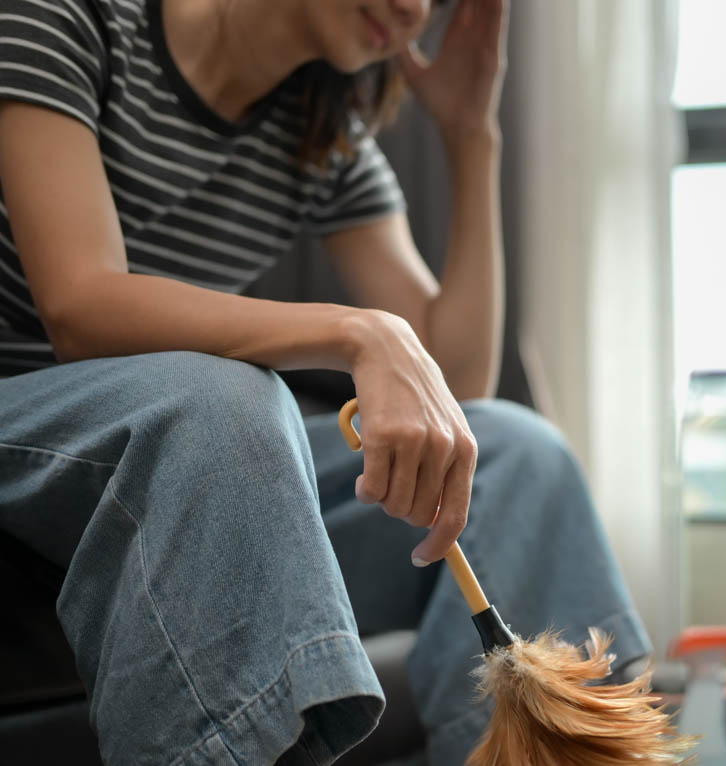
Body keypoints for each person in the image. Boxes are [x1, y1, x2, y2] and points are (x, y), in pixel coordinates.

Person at [0, 0, 650, 763]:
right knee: (225, 400)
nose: (414, 10)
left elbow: (458, 386)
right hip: (31, 430)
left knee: (517, 453)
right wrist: (357, 330)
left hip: (176, 457)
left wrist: (471, 136)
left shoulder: (321, 136)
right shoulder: (66, 19)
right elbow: (81, 305)